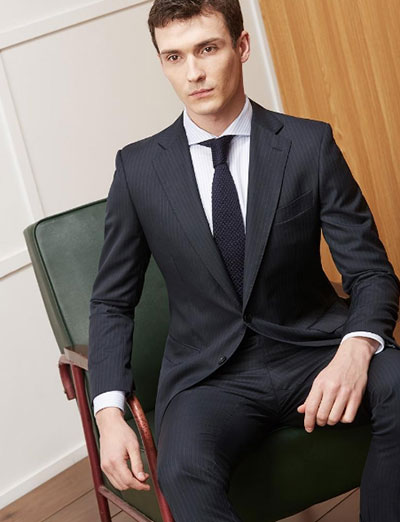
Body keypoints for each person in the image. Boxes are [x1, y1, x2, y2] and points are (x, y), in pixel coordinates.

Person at [88, 1, 400, 520]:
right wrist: (108, 415)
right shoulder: (138, 169)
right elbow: (111, 302)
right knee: (182, 470)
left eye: (207, 48)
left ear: (242, 46)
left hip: (313, 349)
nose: (193, 72)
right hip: (208, 379)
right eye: (174, 57)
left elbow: (370, 271)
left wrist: (355, 349)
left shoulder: (308, 145)